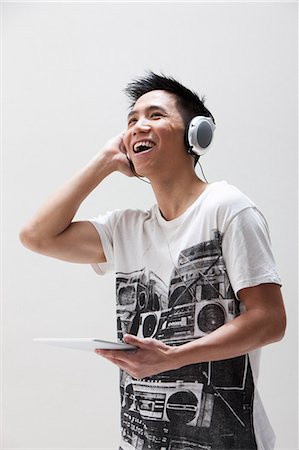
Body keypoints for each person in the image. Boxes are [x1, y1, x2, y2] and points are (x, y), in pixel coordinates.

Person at [20, 72, 286, 450]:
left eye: (156, 115)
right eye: (131, 120)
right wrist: (104, 160)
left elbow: (270, 321)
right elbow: (36, 236)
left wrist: (172, 359)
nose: (139, 125)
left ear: (197, 135)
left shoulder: (228, 208)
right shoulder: (126, 227)